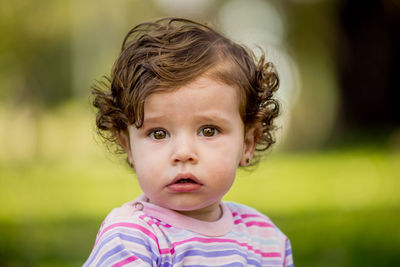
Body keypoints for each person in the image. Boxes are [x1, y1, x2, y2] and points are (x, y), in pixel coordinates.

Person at [84, 17, 294, 267]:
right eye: (158, 133)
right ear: (128, 146)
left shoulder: (266, 240)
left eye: (208, 130)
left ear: (247, 143)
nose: (183, 153)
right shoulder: (131, 238)